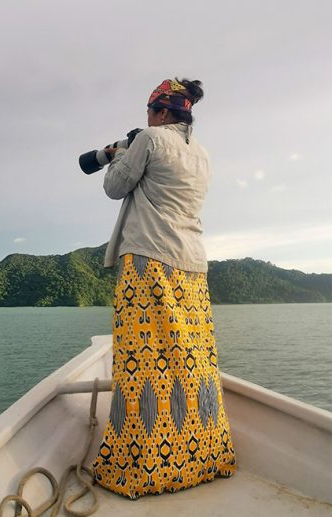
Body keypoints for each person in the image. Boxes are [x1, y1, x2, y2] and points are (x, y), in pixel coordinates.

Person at [92, 78, 237, 499]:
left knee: (142, 363)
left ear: (159, 112)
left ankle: (140, 467)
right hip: (192, 265)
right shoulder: (203, 154)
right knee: (191, 362)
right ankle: (204, 455)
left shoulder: (150, 140)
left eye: (148, 112)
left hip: (148, 259)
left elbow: (113, 187)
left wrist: (117, 154)